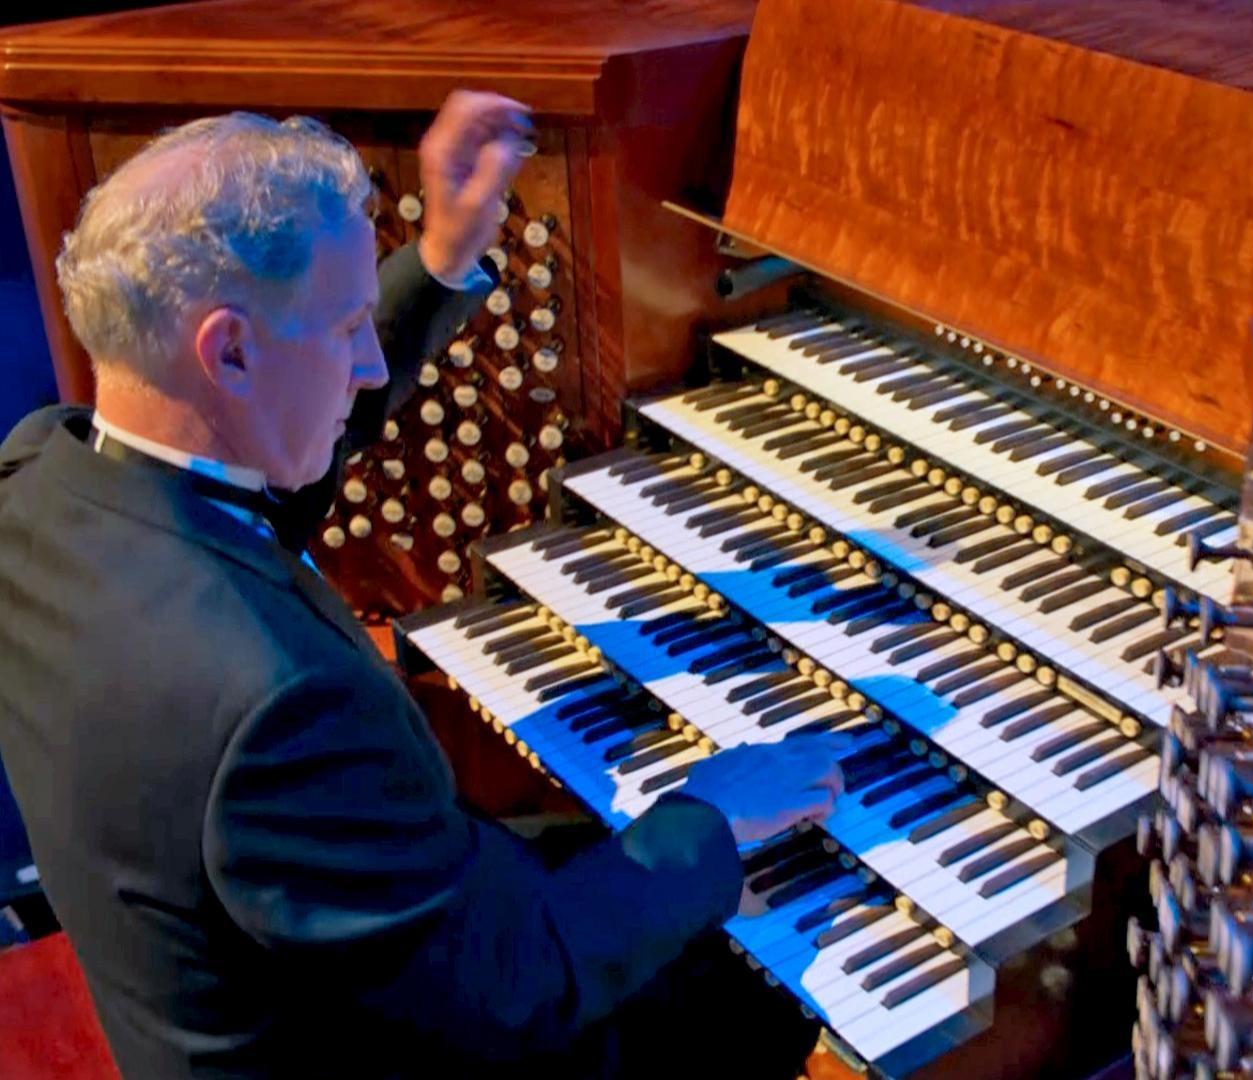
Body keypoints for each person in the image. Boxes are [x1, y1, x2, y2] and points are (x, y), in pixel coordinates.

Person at [0, 92, 845, 1079]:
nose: (368, 367)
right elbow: (521, 988)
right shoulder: (276, 707)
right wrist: (711, 814)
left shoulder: (43, 483)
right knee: (777, 972)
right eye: (349, 325)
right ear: (227, 349)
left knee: (600, 847)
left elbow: (257, 483)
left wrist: (440, 259)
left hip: (234, 978)